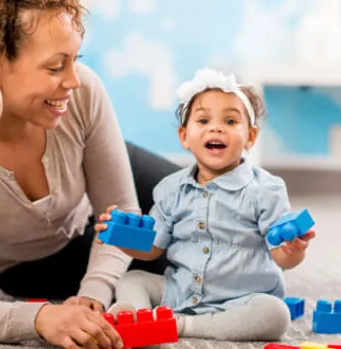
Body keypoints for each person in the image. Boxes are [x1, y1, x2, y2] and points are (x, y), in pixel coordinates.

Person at [0, 1, 178, 348]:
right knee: (193, 262)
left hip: (101, 184)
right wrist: (42, 318)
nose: (75, 81)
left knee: (221, 209)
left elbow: (123, 213)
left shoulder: (82, 92)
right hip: (33, 260)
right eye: (57, 66)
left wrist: (95, 291)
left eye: (76, 60)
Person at [97, 68, 317, 341]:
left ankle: (180, 326)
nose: (216, 127)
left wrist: (293, 250)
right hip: (180, 290)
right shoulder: (170, 189)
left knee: (275, 314)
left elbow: (282, 257)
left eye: (230, 121)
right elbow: (153, 248)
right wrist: (121, 238)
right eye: (203, 120)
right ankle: (135, 316)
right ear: (184, 136)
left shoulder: (265, 190)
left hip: (241, 299)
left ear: (250, 137)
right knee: (132, 279)